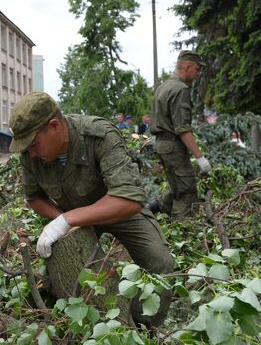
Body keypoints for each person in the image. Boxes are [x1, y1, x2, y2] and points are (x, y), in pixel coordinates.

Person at [9, 91, 173, 329]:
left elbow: (130, 199)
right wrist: (62, 222)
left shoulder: (98, 134)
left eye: (34, 144)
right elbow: (34, 198)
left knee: (160, 262)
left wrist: (68, 219)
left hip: (117, 210)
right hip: (71, 219)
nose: (31, 153)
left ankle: (142, 328)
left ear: (54, 126)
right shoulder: (30, 153)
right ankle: (83, 328)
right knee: (71, 278)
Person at [149, 50, 211, 217]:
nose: (198, 74)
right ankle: (184, 230)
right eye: (197, 69)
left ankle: (148, 212)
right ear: (188, 66)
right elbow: (182, 129)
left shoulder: (164, 86)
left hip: (161, 145)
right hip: (173, 146)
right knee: (187, 193)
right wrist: (200, 157)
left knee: (176, 186)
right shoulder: (180, 89)